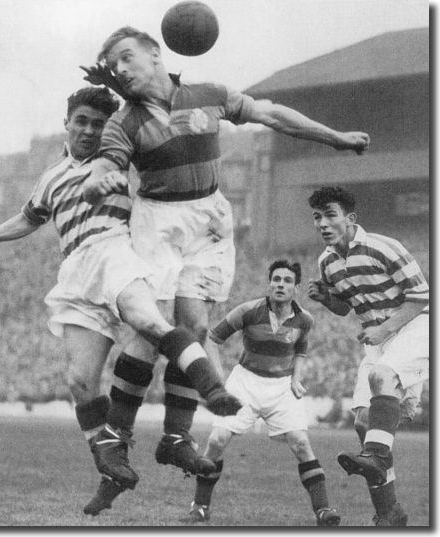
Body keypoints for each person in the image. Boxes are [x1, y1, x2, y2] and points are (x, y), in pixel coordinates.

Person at [80, 25, 370, 511]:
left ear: (155, 53)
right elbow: (103, 167)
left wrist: (334, 138)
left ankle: (174, 437)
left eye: (128, 56)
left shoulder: (208, 95)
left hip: (211, 217)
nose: (122, 68)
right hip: (159, 219)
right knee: (150, 329)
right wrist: (100, 181)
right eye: (115, 63)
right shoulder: (123, 123)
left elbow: (270, 113)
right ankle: (118, 433)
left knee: (193, 327)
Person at [0, 86, 241, 513]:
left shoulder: (119, 158)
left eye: (98, 124)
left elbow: (151, 135)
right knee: (80, 380)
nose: (90, 131)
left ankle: (211, 388)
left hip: (115, 250)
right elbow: (29, 217)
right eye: (82, 122)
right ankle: (110, 459)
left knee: (148, 322)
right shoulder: (50, 176)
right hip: (75, 269)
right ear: (67, 124)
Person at [180, 260, 341, 526]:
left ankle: (323, 511)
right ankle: (199, 507)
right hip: (245, 382)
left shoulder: (304, 320)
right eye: (276, 279)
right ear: (269, 283)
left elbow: (300, 350)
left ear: (296, 288)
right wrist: (218, 378)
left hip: (281, 386)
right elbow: (212, 337)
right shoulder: (248, 311)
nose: (280, 284)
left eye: (287, 280)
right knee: (217, 440)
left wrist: (297, 378)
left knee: (301, 443)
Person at [307, 186, 429, 526]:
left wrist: (386, 329)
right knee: (362, 421)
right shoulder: (326, 261)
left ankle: (376, 457)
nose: (323, 224)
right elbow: (345, 307)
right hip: (377, 340)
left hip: (416, 326)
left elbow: (420, 296)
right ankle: (390, 511)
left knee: (381, 378)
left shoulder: (383, 246)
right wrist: (325, 299)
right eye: (317, 217)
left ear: (350, 218)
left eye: (330, 215)